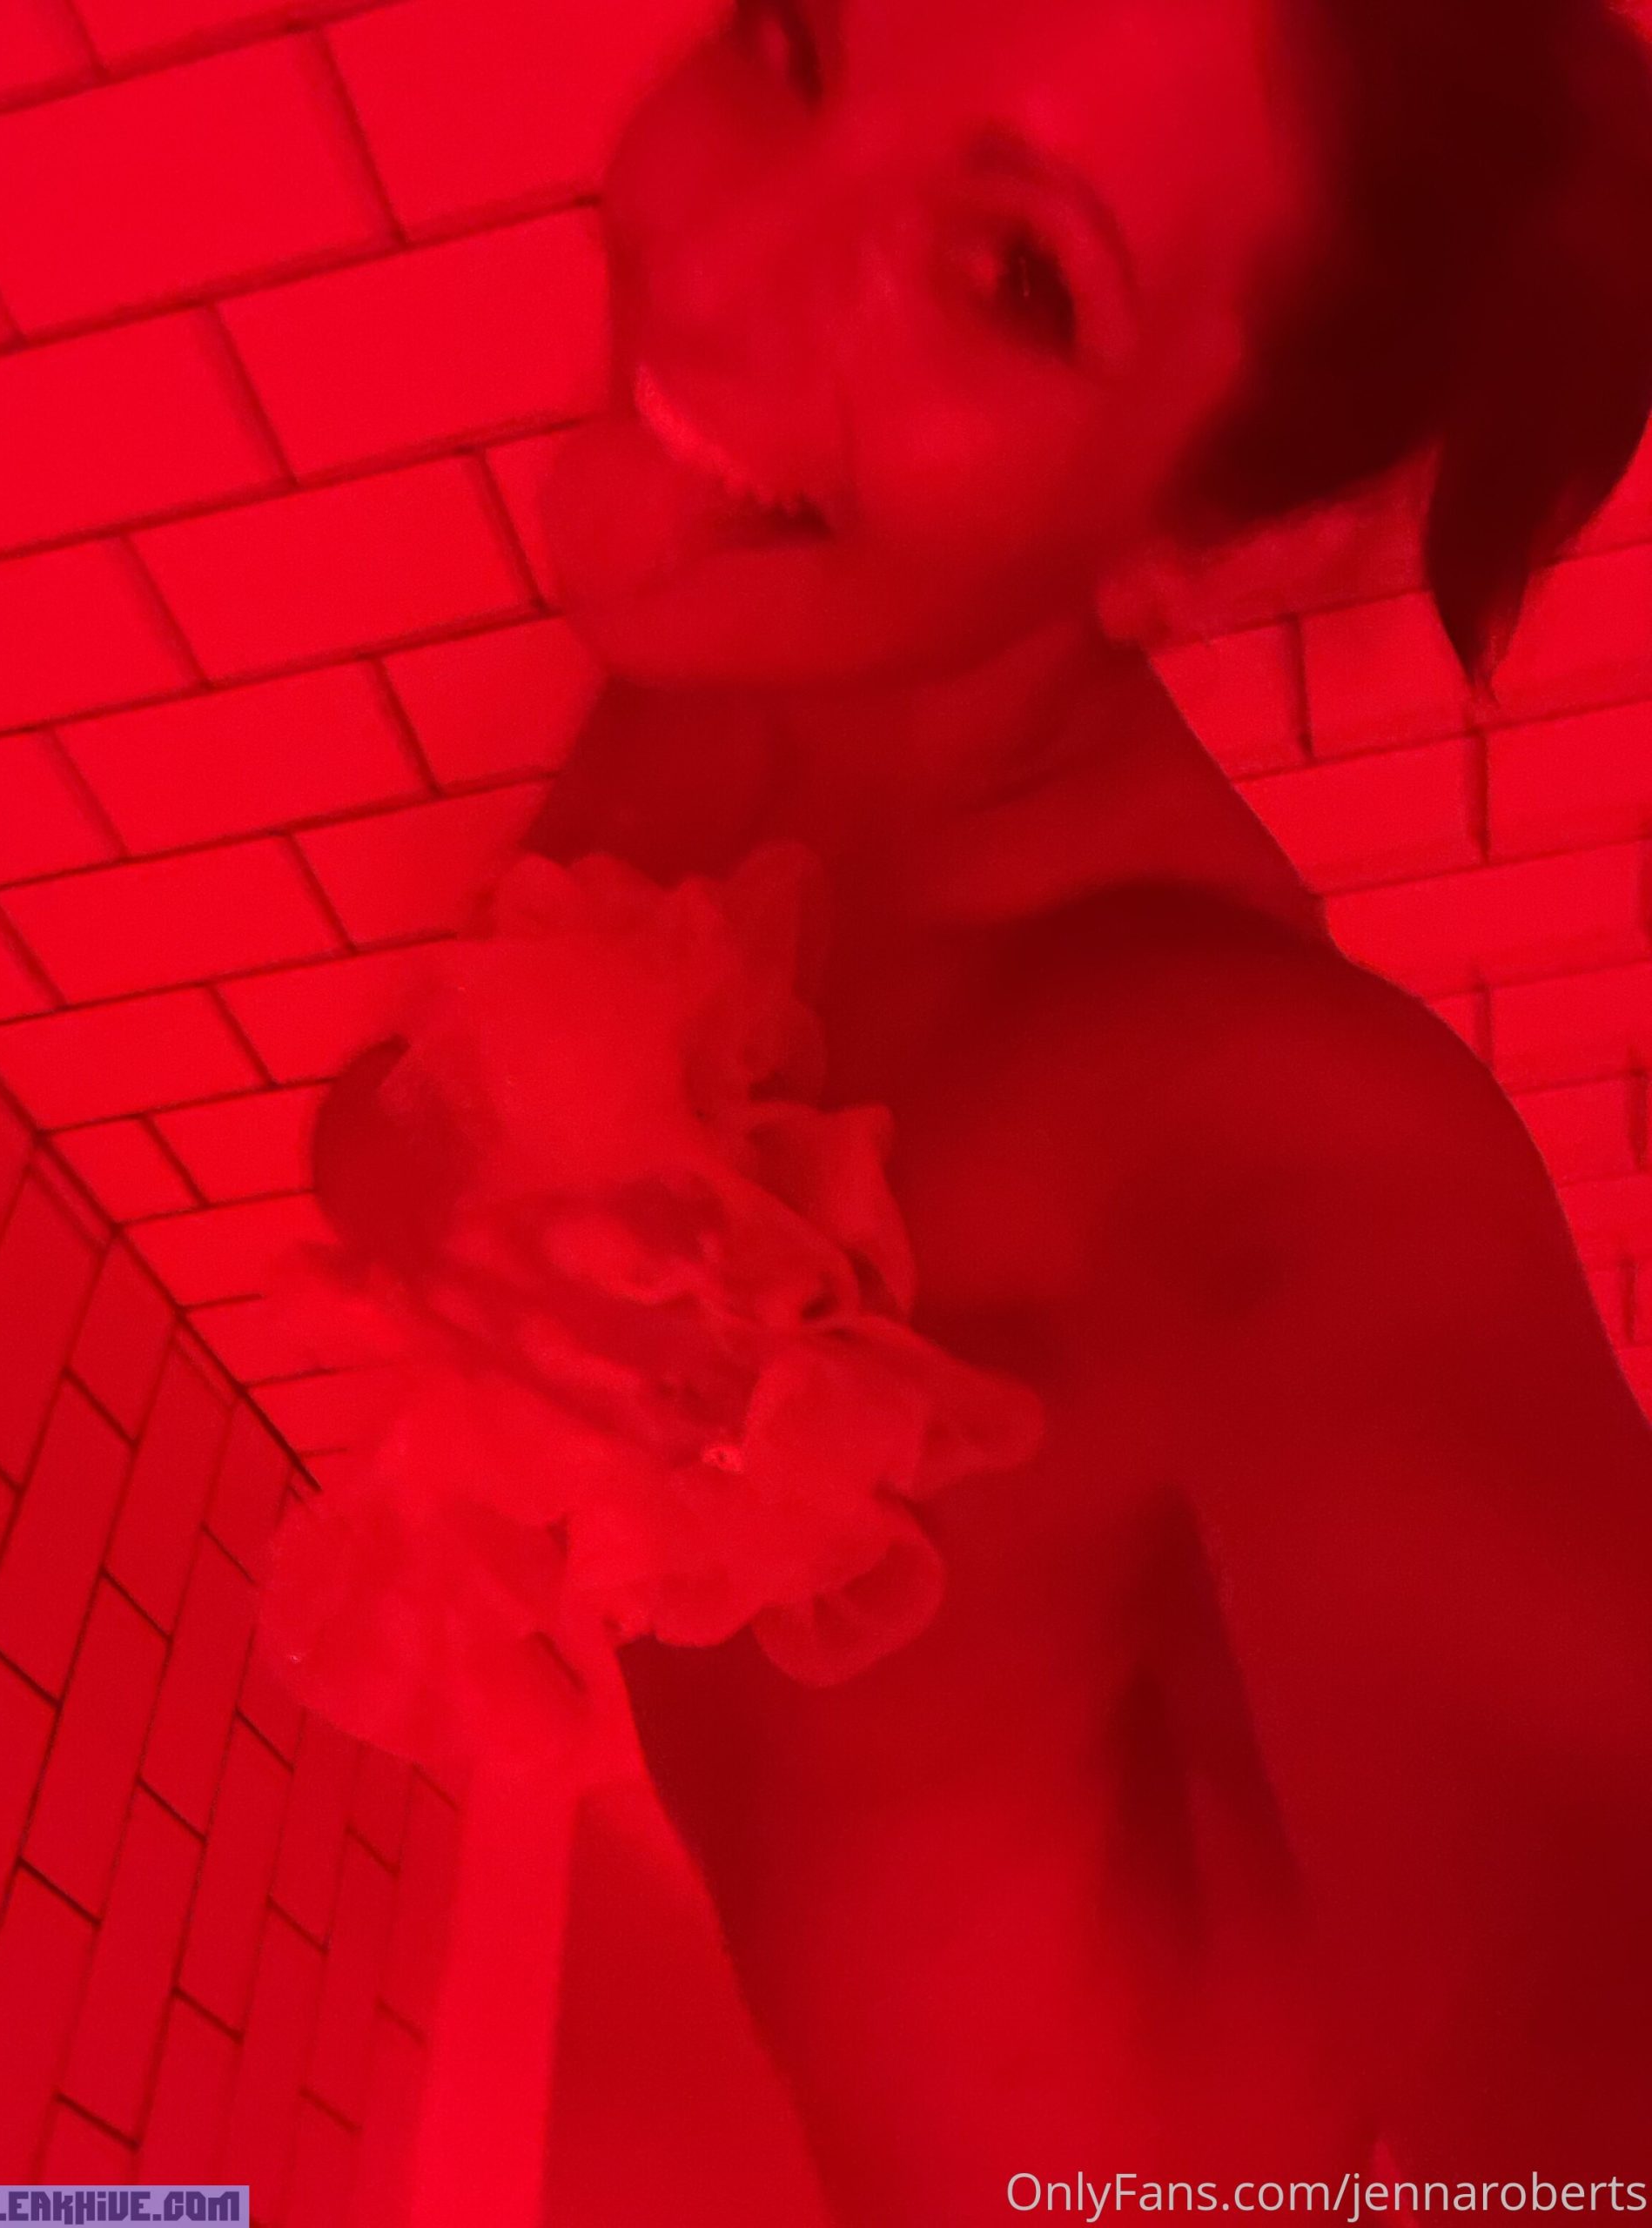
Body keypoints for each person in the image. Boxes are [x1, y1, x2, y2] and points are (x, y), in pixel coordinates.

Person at [312, 0, 1652, 2218]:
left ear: (1210, 542)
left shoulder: (1244, 1117)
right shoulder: (723, 670)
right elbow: (433, 1074)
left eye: (1017, 275)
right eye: (803, 43)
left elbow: (1580, 1903)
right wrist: (399, 1167)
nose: (716, 267)